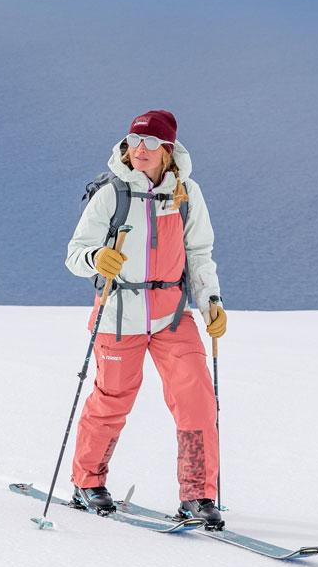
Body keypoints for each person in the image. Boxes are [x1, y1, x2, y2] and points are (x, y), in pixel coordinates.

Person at [64, 109, 228, 529]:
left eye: (151, 143)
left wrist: (211, 303)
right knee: (113, 401)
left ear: (168, 151)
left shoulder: (186, 194)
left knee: (197, 401)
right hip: (120, 315)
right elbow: (75, 255)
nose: (140, 149)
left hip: (172, 317)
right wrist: (96, 258)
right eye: (134, 141)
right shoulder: (112, 195)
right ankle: (88, 481)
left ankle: (197, 494)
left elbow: (199, 255)